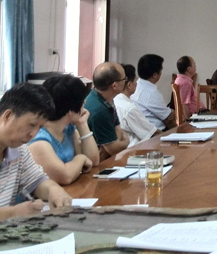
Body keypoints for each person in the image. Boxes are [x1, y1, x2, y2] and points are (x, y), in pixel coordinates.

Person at [0, 83, 72, 221]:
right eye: (32, 125)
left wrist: (53, 190)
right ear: (8, 116)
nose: (33, 134)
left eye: (40, 127)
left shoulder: (19, 150)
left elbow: (37, 182)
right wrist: (12, 213)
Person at [28, 75, 100, 185]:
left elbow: (93, 161)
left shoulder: (68, 128)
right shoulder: (38, 138)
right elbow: (65, 176)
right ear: (71, 110)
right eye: (82, 103)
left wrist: (82, 124)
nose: (84, 107)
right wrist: (80, 158)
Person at [84, 62, 130, 161]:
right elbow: (115, 150)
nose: (126, 82)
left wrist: (116, 141)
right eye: (124, 79)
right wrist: (127, 140)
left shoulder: (104, 98)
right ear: (114, 85)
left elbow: (118, 131)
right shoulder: (99, 110)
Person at [114, 64, 161, 147]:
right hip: (136, 150)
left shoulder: (114, 101)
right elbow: (153, 134)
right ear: (129, 85)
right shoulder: (129, 108)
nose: (137, 83)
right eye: (135, 81)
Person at [131, 54, 176, 131]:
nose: (161, 73)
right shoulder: (151, 93)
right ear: (155, 75)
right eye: (161, 70)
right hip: (157, 133)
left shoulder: (135, 86)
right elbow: (168, 119)